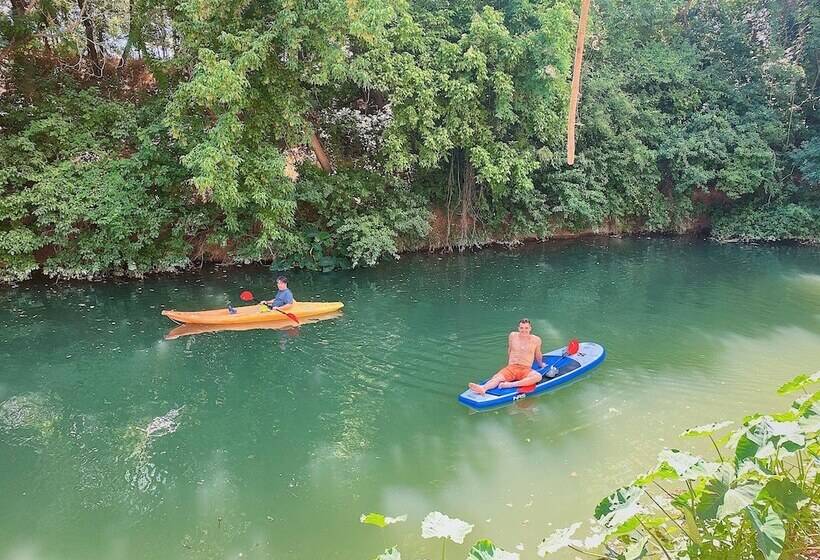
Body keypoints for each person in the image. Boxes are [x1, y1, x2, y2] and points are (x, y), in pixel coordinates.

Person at [469, 319, 544, 395]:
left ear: (530, 328)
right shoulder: (512, 335)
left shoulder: (536, 340)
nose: (524, 330)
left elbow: (538, 354)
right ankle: (483, 388)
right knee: (496, 377)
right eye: (521, 328)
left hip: (525, 369)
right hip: (511, 367)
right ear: (518, 328)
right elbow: (510, 350)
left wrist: (541, 364)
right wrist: (509, 364)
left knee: (538, 377)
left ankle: (509, 385)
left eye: (526, 328)